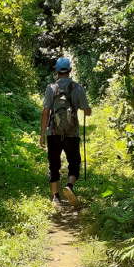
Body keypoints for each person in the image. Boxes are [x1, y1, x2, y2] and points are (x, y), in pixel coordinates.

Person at [40, 56, 92, 208]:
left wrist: (42, 134)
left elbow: (45, 112)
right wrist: (86, 109)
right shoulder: (78, 88)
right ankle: (69, 186)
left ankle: (55, 197)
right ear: (70, 70)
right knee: (74, 162)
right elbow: (87, 111)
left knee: (54, 164)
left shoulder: (51, 88)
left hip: (53, 132)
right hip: (72, 132)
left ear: (56, 71)